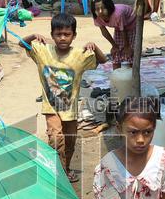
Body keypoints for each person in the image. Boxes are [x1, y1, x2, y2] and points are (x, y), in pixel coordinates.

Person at [24, 13, 107, 181]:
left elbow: (103, 60)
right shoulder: (43, 51)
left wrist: (94, 46)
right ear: (52, 34)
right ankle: (58, 174)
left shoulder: (80, 55)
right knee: (55, 139)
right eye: (58, 34)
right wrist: (33, 35)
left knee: (69, 142)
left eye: (67, 34)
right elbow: (22, 43)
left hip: (70, 110)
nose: (62, 38)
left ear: (74, 35)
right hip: (51, 107)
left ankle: (65, 167)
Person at [91, 0, 136, 69]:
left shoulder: (118, 14)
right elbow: (104, 31)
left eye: (103, 8)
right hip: (119, 27)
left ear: (109, 6)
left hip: (131, 24)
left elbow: (123, 30)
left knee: (128, 53)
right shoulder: (97, 16)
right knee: (116, 52)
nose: (100, 12)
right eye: (97, 9)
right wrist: (114, 45)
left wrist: (127, 46)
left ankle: (130, 73)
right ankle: (116, 73)